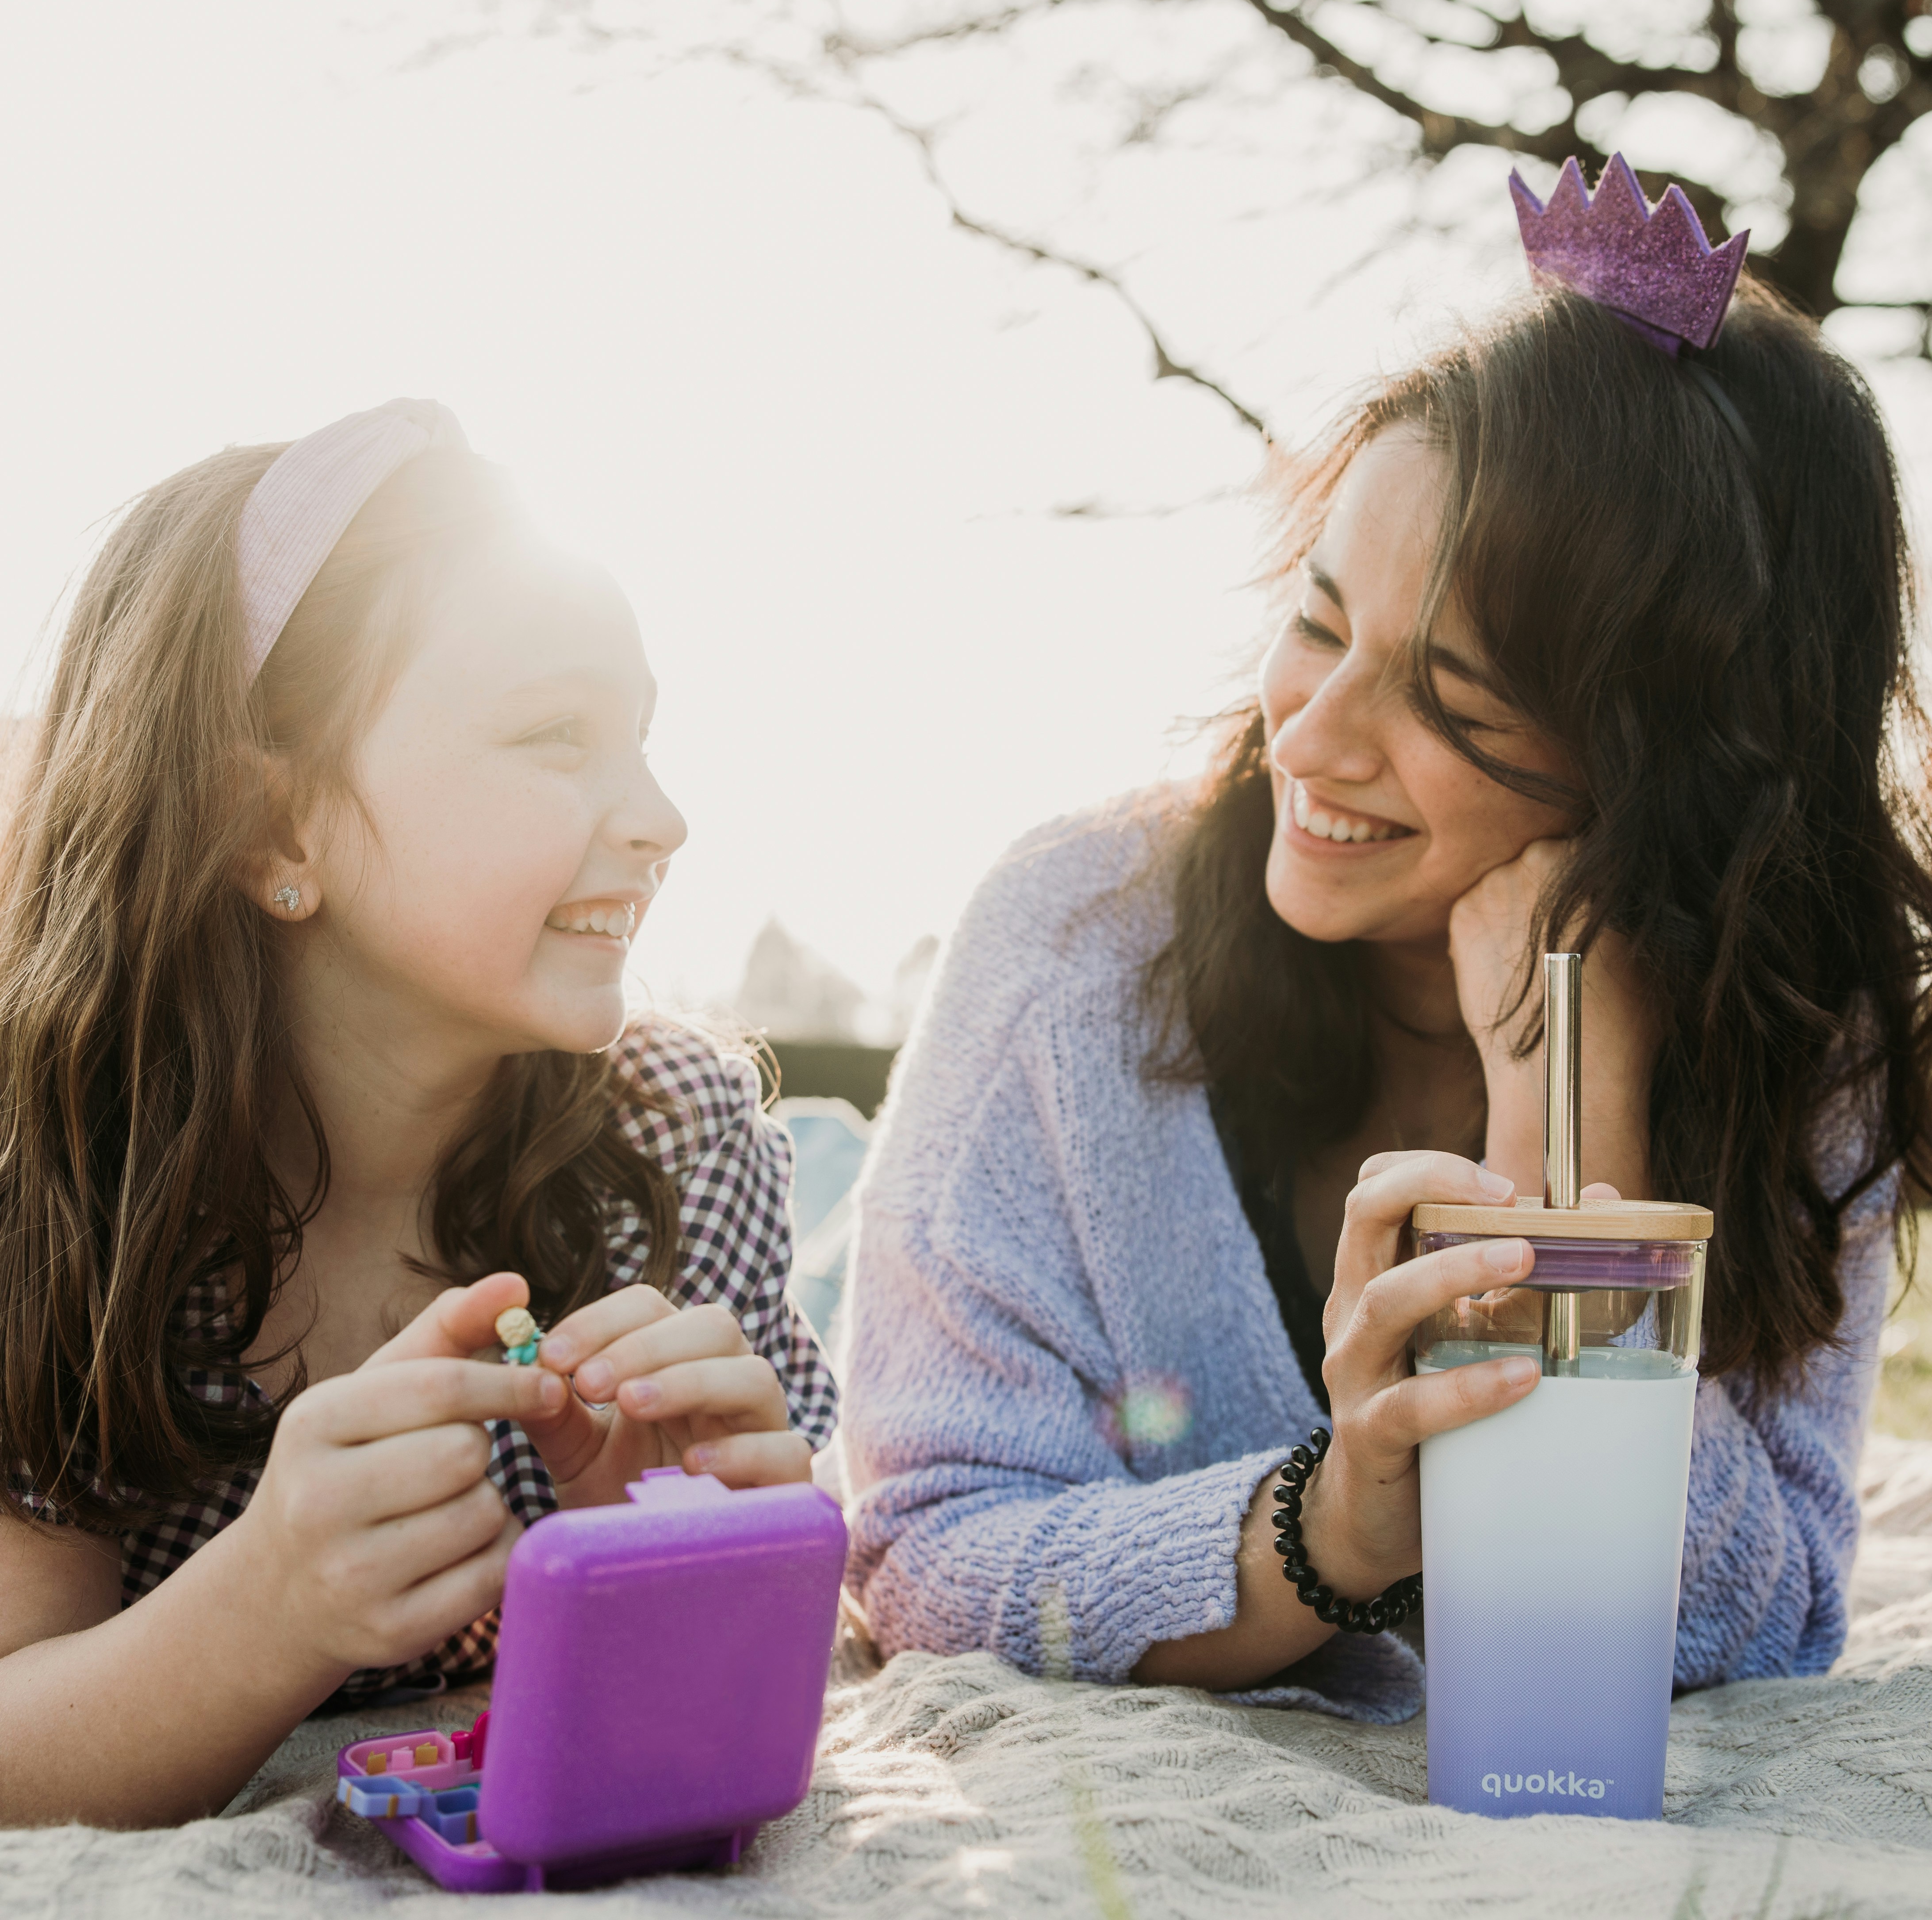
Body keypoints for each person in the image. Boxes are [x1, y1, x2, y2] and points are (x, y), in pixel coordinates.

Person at [839, 182, 1931, 1718]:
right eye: (1319, 619)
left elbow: (1763, 1633)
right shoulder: (1076, 940)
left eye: (1447, 702)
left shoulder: (1814, 1043)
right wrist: (1332, 1530)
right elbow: (921, 1554)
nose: (1314, 733)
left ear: (1658, 777)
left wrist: (1572, 1126)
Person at [0, 403, 836, 1825]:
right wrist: (265, 1607)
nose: (660, 816)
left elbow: (770, 1695)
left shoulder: (676, 1143)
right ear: (271, 824)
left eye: (639, 734)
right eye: (553, 733)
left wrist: (673, 1550)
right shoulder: (58, 1178)